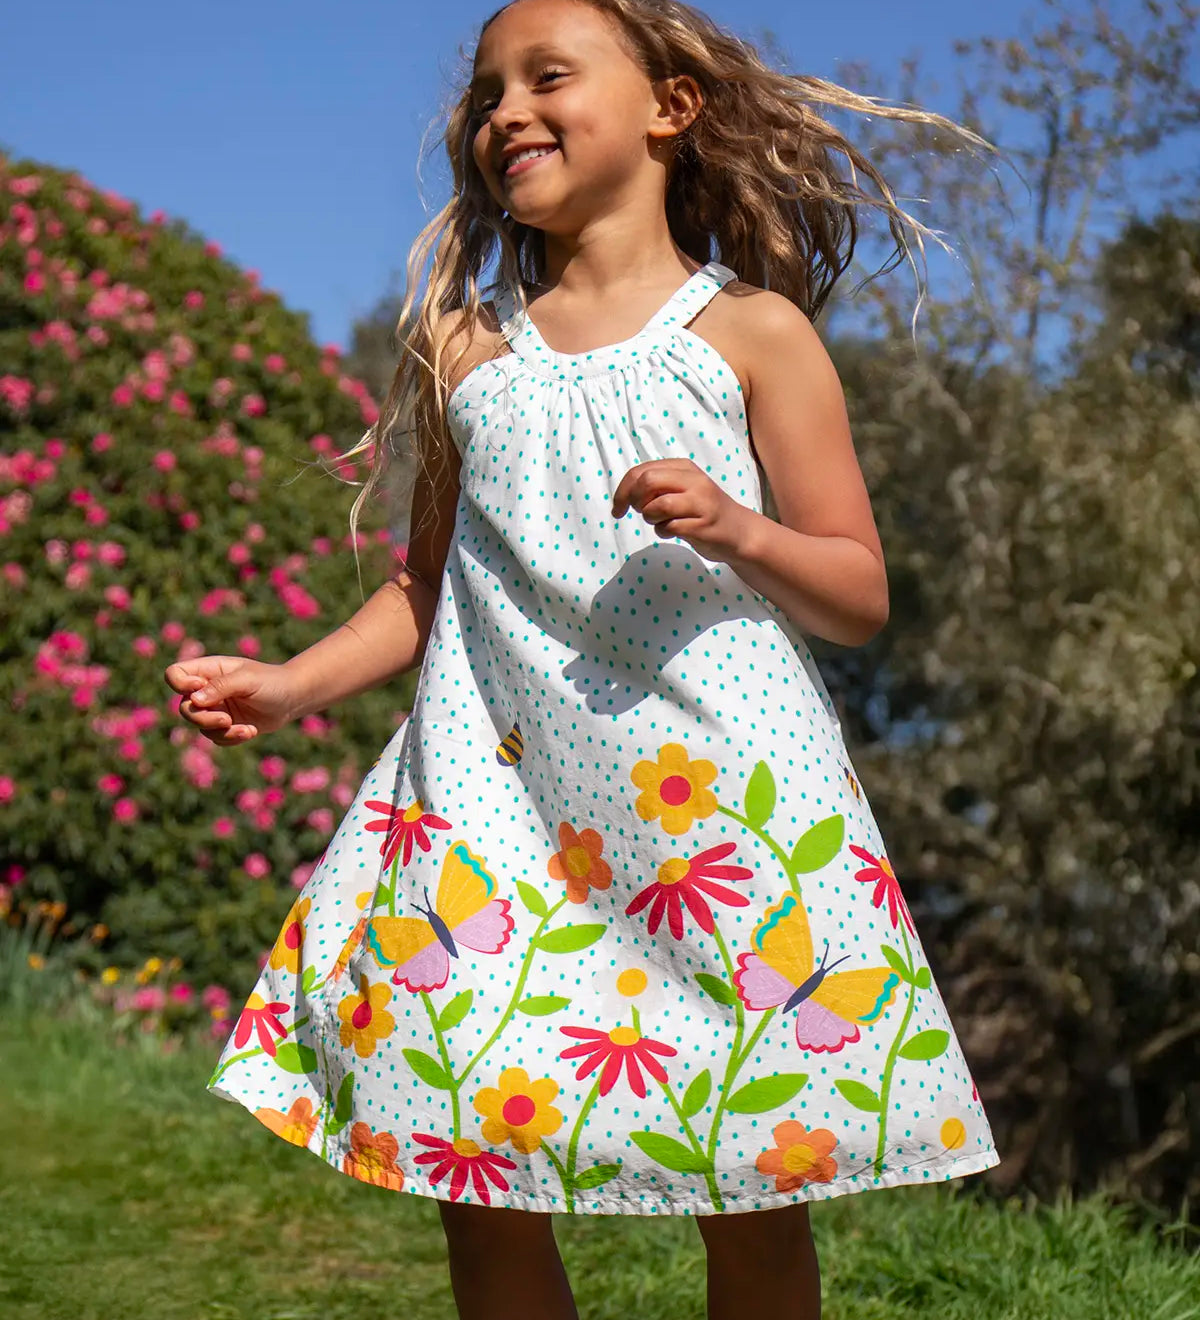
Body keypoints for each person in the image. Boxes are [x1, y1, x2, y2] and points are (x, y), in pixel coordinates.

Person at [165, 1, 1000, 1315]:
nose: (505, 110)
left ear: (670, 108)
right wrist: (288, 685)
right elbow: (422, 588)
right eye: (488, 92)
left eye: (547, 76)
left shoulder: (754, 336)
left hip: (717, 821)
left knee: (751, 1179)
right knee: (468, 1160)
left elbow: (857, 591)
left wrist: (740, 529)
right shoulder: (464, 346)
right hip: (491, 809)